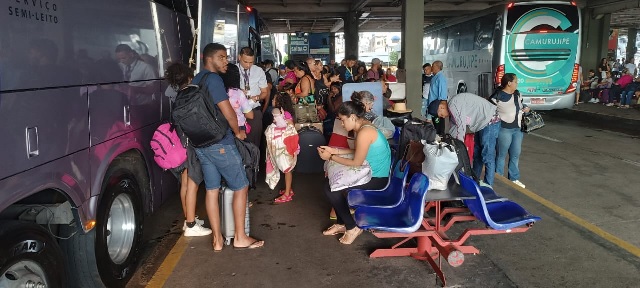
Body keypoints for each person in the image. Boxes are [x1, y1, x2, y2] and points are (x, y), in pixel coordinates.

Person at [192, 43, 264, 251]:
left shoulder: (197, 79)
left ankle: (217, 240)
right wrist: (238, 132)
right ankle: (240, 237)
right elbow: (228, 112)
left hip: (201, 143)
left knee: (212, 189)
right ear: (209, 58)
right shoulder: (214, 79)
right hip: (220, 142)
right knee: (240, 186)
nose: (226, 61)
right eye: (222, 57)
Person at [318, 100, 391, 245]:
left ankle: (351, 227)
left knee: (331, 189)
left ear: (352, 117)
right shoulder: (364, 127)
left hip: (376, 178)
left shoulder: (365, 132)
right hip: (371, 172)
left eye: (343, 120)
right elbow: (359, 152)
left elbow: (356, 162)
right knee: (332, 184)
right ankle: (341, 223)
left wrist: (331, 157)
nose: (343, 125)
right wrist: (335, 150)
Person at [164, 62, 211, 237]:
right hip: (192, 143)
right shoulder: (193, 92)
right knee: (192, 184)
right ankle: (191, 225)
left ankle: (188, 219)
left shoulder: (176, 94)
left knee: (185, 183)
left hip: (181, 142)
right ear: (190, 77)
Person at [428, 92, 500, 187]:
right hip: (482, 123)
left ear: (441, 107)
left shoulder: (453, 105)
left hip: (490, 119)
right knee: (477, 155)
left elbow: (461, 128)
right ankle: (475, 183)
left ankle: (489, 188)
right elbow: (454, 128)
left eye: (440, 114)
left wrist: (458, 149)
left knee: (487, 156)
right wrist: (448, 143)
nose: (442, 117)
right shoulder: (451, 109)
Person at [493, 73, 530, 189]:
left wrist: (526, 109)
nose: (517, 84)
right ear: (509, 83)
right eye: (516, 81)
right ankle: (498, 179)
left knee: (515, 154)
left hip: (517, 129)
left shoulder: (518, 94)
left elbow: (521, 105)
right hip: (504, 129)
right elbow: (489, 109)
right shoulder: (497, 95)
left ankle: (514, 178)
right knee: (501, 155)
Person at [237, 47, 269, 148]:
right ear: (239, 57)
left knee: (254, 143)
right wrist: (239, 92)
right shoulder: (233, 70)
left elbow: (264, 92)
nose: (248, 65)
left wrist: (258, 97)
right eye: (245, 62)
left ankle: (254, 163)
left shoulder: (258, 71)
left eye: (251, 62)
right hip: (237, 112)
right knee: (239, 143)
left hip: (253, 110)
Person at [270, 92, 297, 204]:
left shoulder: (285, 114)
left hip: (286, 144)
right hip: (284, 144)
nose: (272, 101)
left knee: (287, 169)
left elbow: (291, 127)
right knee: (286, 167)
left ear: (279, 102)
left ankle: (287, 194)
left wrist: (280, 121)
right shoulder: (283, 113)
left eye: (274, 99)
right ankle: (288, 188)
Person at [220, 63, 254, 133]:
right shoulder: (238, 93)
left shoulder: (216, 91)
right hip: (239, 128)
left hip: (220, 127)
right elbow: (250, 115)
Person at [428, 60, 447, 134]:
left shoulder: (440, 78)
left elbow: (443, 95)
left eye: (432, 66)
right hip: (433, 107)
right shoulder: (435, 77)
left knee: (439, 128)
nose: (431, 67)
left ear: (436, 67)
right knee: (436, 127)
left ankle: (442, 142)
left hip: (438, 108)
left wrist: (442, 109)